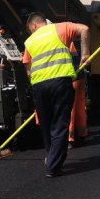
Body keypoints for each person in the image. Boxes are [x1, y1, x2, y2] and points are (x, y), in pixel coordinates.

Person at [22, 12, 90, 177]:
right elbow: (85, 29)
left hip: (38, 86)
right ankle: (53, 167)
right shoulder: (60, 28)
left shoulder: (29, 41)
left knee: (46, 125)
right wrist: (85, 54)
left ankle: (50, 155)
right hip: (60, 82)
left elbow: (29, 70)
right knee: (59, 124)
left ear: (34, 25)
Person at [68, 42, 88, 148]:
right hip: (79, 74)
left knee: (69, 108)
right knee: (79, 106)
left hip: (69, 75)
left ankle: (69, 138)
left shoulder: (48, 37)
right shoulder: (64, 37)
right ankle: (81, 135)